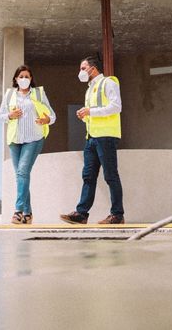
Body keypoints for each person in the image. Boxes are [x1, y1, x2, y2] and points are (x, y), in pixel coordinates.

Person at [60, 56, 125, 225]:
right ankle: (82, 214)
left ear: (93, 68)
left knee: (110, 176)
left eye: (83, 68)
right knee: (88, 176)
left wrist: (90, 111)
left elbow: (116, 106)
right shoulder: (89, 89)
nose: (80, 72)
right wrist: (84, 115)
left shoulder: (108, 83)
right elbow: (94, 112)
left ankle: (117, 215)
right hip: (91, 137)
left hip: (106, 136)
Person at [0, 65, 55, 224]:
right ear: (16, 79)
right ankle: (28, 214)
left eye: (27, 77)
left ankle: (18, 211)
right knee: (21, 176)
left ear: (31, 79)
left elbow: (52, 115)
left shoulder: (38, 94)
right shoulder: (9, 95)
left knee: (22, 172)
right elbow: (1, 116)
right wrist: (11, 115)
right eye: (21, 76)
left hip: (34, 138)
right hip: (15, 140)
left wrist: (47, 120)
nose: (24, 79)